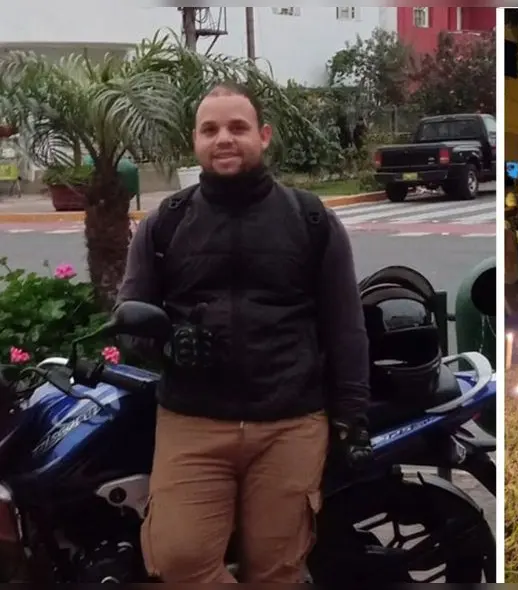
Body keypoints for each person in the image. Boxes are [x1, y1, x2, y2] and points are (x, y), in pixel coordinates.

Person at [117, 82, 372, 582]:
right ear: (195, 141)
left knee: (276, 570)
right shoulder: (164, 224)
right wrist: (164, 343)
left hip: (289, 423)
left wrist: (352, 419)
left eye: (237, 127)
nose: (224, 139)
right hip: (192, 422)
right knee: (179, 558)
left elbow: (345, 327)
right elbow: (131, 317)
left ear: (264, 135)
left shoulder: (312, 218)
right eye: (210, 130)